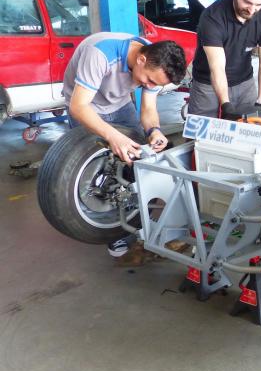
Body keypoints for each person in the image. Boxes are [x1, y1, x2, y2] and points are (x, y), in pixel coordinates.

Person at [62, 33, 187, 257]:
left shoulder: (155, 65)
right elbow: (79, 107)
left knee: (138, 159)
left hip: (119, 105)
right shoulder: (100, 54)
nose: (147, 85)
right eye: (148, 80)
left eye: (154, 84)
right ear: (141, 59)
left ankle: (134, 219)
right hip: (85, 104)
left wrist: (154, 131)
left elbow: (148, 108)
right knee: (96, 168)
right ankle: (111, 231)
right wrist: (113, 136)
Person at [189, 0, 261, 119]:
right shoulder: (212, 17)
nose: (252, 10)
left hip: (244, 84)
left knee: (250, 134)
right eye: (247, 2)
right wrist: (226, 104)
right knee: (200, 137)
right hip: (207, 86)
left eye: (259, 4)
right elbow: (217, 66)